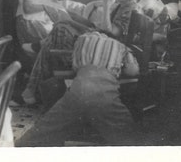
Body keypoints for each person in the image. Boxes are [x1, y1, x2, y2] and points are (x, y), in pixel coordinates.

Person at [22, 0, 137, 104]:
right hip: (99, 37)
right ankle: (32, 89)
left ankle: (32, 86)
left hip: (104, 45)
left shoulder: (129, 7)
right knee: (66, 19)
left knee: (61, 28)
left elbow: (112, 33)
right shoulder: (122, 4)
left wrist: (106, 7)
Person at [16, 31, 145, 147]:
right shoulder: (121, 46)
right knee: (130, 141)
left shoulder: (82, 38)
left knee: (41, 135)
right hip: (106, 95)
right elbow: (133, 71)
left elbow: (73, 64)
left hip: (78, 91)